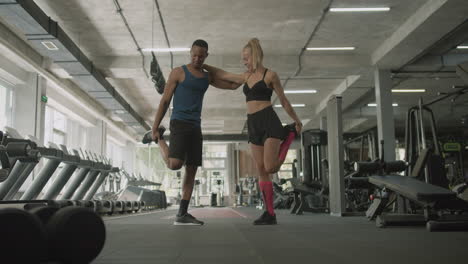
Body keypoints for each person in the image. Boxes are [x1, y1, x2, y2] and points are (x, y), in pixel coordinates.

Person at [203, 38, 302, 225]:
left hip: (268, 120)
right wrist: (204, 66)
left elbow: (284, 101)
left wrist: (297, 121)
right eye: (243, 59)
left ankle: (288, 137)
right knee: (261, 170)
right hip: (253, 124)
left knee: (271, 167)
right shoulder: (246, 77)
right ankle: (269, 213)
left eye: (246, 58)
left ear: (255, 56)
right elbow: (224, 74)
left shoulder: (270, 75)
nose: (244, 61)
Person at [151, 39, 239, 225]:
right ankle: (159, 138)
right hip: (179, 122)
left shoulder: (207, 77)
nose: (197, 58)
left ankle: (182, 214)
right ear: (190, 53)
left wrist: (209, 67)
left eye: (201, 55)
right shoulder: (178, 72)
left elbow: (233, 85)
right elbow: (165, 101)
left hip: (195, 126)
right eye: (194, 54)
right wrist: (154, 126)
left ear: (206, 56)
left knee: (191, 169)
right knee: (174, 164)